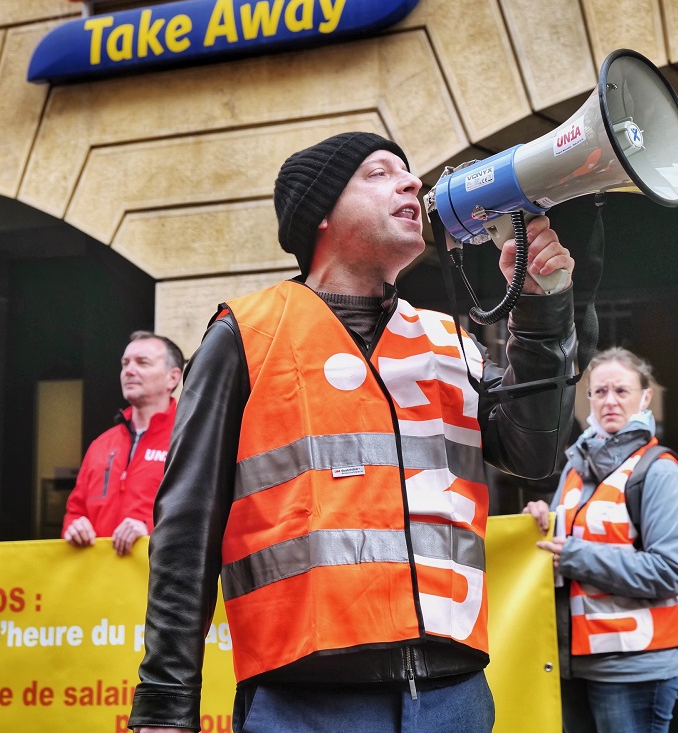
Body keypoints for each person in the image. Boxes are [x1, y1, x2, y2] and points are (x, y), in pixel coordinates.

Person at [128, 131, 578, 733]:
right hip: (304, 701)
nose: (413, 183)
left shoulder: (449, 340)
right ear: (319, 216)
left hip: (455, 696)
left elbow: (535, 450)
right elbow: (185, 531)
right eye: (378, 173)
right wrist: (163, 704)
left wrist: (542, 309)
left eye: (409, 171)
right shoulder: (245, 336)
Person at [524, 348, 678, 733]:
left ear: (646, 397)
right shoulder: (576, 466)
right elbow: (555, 555)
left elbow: (672, 572)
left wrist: (574, 556)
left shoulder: (659, 471)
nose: (610, 401)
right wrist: (534, 526)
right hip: (574, 663)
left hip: (635, 667)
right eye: (599, 392)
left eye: (622, 391)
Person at [63, 331, 184, 557]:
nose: (129, 371)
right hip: (99, 581)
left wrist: (148, 528)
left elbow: (201, 514)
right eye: (125, 363)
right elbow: (75, 511)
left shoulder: (189, 440)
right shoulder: (101, 444)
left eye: (142, 363)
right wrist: (75, 525)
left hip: (159, 583)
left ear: (173, 378)